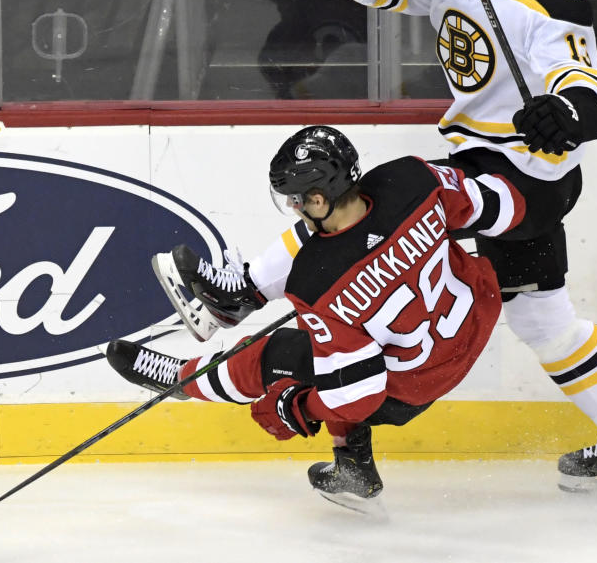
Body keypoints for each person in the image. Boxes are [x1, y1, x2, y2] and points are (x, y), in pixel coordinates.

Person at [141, 0, 597, 494]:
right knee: (545, 323)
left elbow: (587, 95)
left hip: (529, 181)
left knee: (383, 205)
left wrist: (564, 116)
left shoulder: (555, 4)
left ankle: (244, 293)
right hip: (480, 169)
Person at [108, 125, 516, 508]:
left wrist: (297, 407)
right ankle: (241, 294)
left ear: (317, 198)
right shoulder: (411, 179)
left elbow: (358, 396)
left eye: (296, 199)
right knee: (328, 254)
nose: (292, 206)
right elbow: (504, 209)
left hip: (412, 385)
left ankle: (184, 380)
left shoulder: (317, 283)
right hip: (471, 325)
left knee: (280, 354)